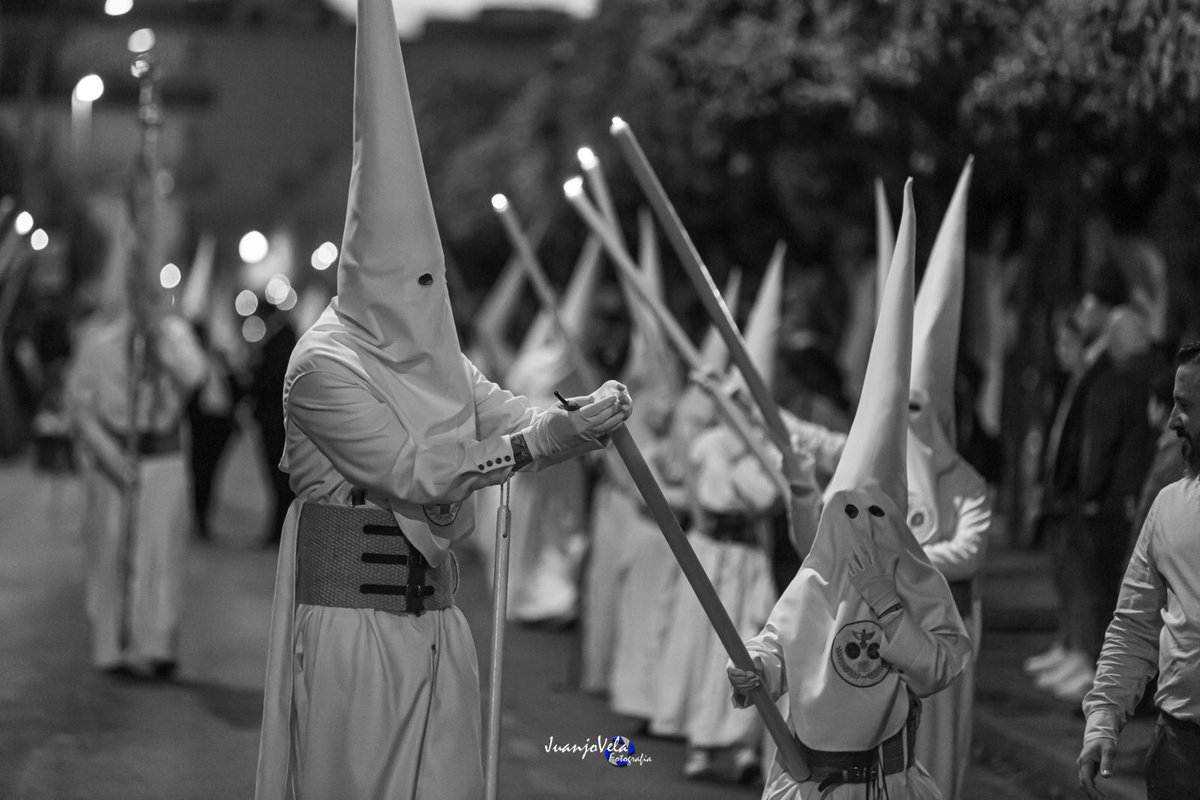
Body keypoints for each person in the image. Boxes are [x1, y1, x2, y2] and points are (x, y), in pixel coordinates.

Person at [252, 3, 631, 798]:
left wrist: (577, 416)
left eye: (433, 279)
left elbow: (499, 409)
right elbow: (410, 472)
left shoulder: (426, 348)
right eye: (408, 280)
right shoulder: (321, 366)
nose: (424, 297)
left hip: (438, 620)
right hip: (353, 629)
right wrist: (536, 445)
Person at [727, 182, 970, 799]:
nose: (861, 524)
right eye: (848, 511)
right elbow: (777, 646)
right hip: (809, 781)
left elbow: (942, 665)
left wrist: (890, 609)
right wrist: (755, 668)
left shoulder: (917, 580)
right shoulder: (815, 580)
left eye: (875, 513)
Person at [64, 196, 208, 679]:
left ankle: (155, 644)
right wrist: (108, 456)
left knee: (160, 555)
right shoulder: (97, 342)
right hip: (113, 461)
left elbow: (196, 377)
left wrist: (160, 343)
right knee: (110, 554)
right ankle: (113, 644)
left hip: (162, 459)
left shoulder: (174, 337)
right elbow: (79, 407)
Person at [1078, 341, 1200, 800]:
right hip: (1180, 754)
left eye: (1185, 405)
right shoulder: (1169, 506)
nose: (1171, 420)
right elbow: (1134, 626)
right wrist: (1103, 719)